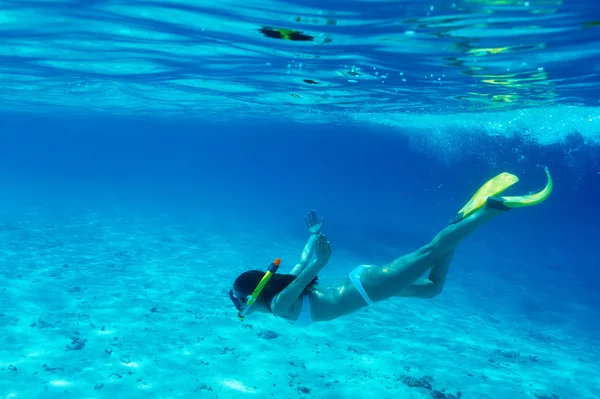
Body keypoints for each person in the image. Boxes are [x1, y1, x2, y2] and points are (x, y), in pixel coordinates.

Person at [229, 168, 553, 327]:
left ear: (253, 296)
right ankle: (460, 225)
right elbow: (299, 264)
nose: (241, 307)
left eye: (240, 301)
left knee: (430, 251)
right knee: (431, 288)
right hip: (364, 284)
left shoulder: (279, 306)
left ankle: (493, 210)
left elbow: (303, 274)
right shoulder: (279, 292)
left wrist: (320, 261)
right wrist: (314, 235)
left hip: (369, 287)